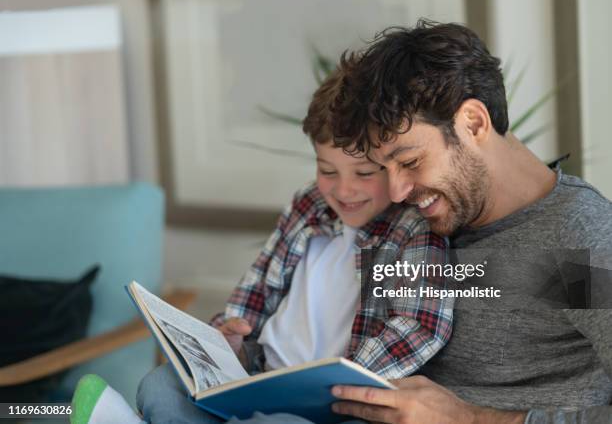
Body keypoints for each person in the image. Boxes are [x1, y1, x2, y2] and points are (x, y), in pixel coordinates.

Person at [70, 69, 454, 424]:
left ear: (394, 165)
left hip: (330, 407)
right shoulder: (308, 205)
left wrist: (334, 382)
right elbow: (255, 294)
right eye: (327, 170)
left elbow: (420, 327)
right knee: (159, 386)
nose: (343, 189)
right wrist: (230, 342)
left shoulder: (415, 226)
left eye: (364, 174)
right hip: (259, 376)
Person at [323, 20, 612, 424]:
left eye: (410, 162)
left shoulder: (580, 239)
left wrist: (470, 419)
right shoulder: (419, 224)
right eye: (383, 168)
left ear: (473, 123)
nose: (397, 192)